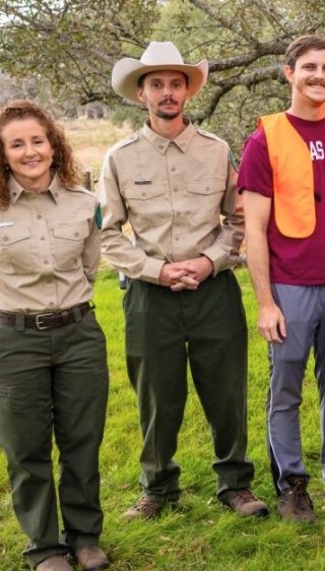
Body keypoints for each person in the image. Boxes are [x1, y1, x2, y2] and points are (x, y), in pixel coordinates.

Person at [101, 41, 267, 520]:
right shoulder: (120, 158)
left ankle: (236, 484)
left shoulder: (217, 152)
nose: (167, 92)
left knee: (226, 391)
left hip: (213, 291)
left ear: (188, 92)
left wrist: (210, 262)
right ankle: (157, 489)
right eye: (157, 84)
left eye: (176, 84)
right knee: (157, 395)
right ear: (141, 94)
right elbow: (107, 234)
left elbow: (239, 220)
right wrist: (157, 270)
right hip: (149, 296)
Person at [239, 35, 325, 523]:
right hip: (291, 286)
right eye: (309, 67)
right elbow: (254, 230)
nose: (319, 76)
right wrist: (265, 302)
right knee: (287, 389)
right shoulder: (265, 140)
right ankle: (292, 484)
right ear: (289, 73)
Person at [0, 101, 110, 571]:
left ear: (53, 145)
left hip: (79, 336)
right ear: (2, 154)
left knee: (82, 441)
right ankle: (44, 547)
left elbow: (89, 267)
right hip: (13, 342)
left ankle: (85, 537)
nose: (30, 151)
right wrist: (15, 319)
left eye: (38, 140)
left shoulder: (84, 203)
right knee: (26, 448)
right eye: (17, 144)